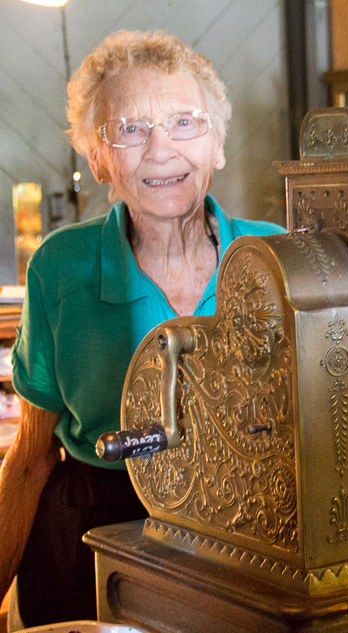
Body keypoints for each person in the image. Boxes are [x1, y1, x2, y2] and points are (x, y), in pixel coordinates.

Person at [0, 30, 283, 627]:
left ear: (219, 144)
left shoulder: (279, 258)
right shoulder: (60, 267)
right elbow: (29, 459)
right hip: (88, 538)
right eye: (129, 129)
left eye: (185, 121)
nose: (161, 149)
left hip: (247, 533)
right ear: (98, 159)